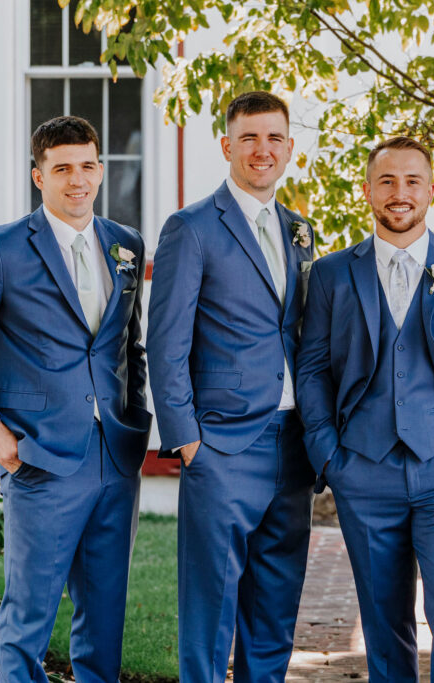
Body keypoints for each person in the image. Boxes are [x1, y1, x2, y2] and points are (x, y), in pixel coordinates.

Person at [0, 115, 150, 682]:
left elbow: (130, 345)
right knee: (27, 621)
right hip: (39, 458)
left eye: (88, 166)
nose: (79, 180)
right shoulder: (2, 250)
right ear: (38, 176)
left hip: (115, 457)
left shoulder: (125, 245)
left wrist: (138, 419)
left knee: (105, 620)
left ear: (101, 170)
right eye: (63, 168)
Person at [296, 136, 434, 683]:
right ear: (368, 190)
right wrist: (329, 456)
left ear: (431, 189)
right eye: (388, 181)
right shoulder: (330, 273)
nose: (400, 193)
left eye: (412, 181)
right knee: (382, 618)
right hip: (362, 471)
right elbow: (312, 369)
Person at [147, 91, 316, 683]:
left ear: (290, 148)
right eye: (249, 138)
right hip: (221, 447)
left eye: (274, 138)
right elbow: (165, 343)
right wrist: (187, 441)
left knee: (274, 609)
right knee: (210, 612)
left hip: (292, 446)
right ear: (227, 146)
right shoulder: (191, 228)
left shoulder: (301, 229)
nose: (262, 150)